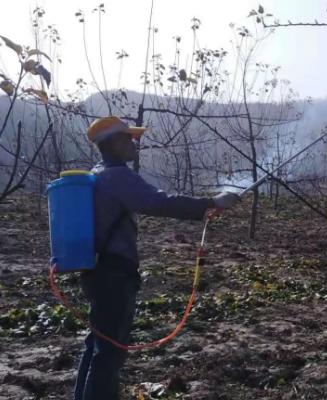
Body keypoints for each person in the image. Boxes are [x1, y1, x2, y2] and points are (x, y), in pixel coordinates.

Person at [73, 116, 240, 400]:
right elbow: (158, 201)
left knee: (98, 345)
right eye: (128, 138)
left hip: (99, 271)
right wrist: (211, 203)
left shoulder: (99, 173)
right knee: (109, 351)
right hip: (113, 273)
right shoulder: (117, 176)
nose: (134, 142)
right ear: (112, 143)